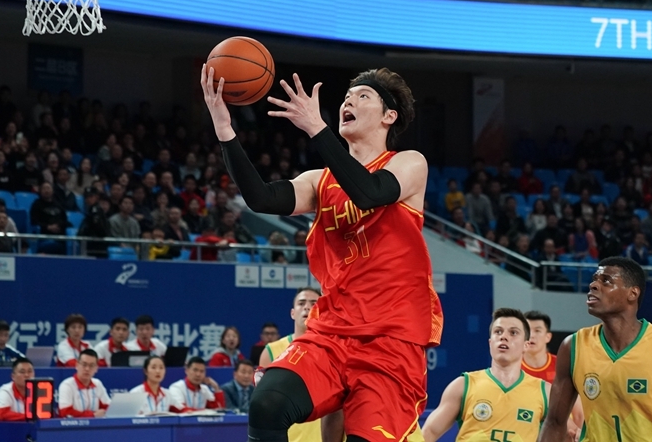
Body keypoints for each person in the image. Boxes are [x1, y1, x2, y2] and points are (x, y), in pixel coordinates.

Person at [203, 65, 443, 442]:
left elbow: (370, 193)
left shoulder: (409, 163)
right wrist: (224, 130)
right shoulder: (319, 181)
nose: (349, 101)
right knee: (267, 404)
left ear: (389, 116)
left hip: (391, 338)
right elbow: (261, 198)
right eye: (347, 96)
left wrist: (317, 128)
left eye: (363, 96)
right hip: (332, 331)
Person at [539, 257, 652, 442]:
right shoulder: (573, 347)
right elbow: (554, 423)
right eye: (594, 279)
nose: (593, 285)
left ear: (632, 293)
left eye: (606, 281)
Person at [422, 308, 559, 441]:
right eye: (498, 332)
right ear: (490, 342)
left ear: (526, 345)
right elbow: (428, 433)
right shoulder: (463, 385)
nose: (504, 337)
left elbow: (568, 433)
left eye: (513, 333)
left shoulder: (545, 392)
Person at [257, 288, 323, 442]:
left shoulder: (335, 349)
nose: (307, 307)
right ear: (292, 313)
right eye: (301, 303)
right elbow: (263, 404)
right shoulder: (270, 352)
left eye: (314, 303)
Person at [57, 349, 110, 417]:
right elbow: (65, 412)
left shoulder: (97, 384)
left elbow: (108, 407)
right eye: (84, 364)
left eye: (91, 365)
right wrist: (92, 415)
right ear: (77, 365)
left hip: (95, 423)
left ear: (96, 368)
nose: (87, 369)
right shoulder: (67, 385)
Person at [522, 311, 556, 383]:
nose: (531, 335)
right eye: (527, 330)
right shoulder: (511, 366)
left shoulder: (561, 366)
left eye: (537, 331)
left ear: (548, 337)